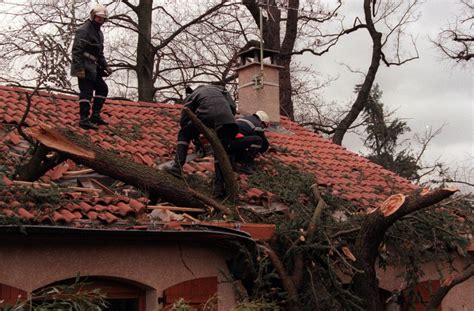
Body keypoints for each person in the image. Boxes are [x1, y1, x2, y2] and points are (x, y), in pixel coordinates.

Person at [168, 84, 238, 197]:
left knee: (184, 133)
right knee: (220, 151)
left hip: (207, 115)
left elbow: (185, 119)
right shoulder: (221, 90)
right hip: (229, 121)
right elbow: (233, 107)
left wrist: (192, 133)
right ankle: (219, 188)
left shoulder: (193, 95)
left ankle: (177, 167)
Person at [70, 4, 112, 130]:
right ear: (93, 16)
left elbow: (100, 54)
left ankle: (95, 115)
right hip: (84, 65)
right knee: (87, 92)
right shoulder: (83, 30)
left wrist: (106, 66)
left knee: (102, 89)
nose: (100, 20)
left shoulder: (99, 33)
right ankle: (84, 119)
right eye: (98, 18)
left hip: (94, 67)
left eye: (102, 18)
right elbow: (76, 51)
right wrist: (79, 69)